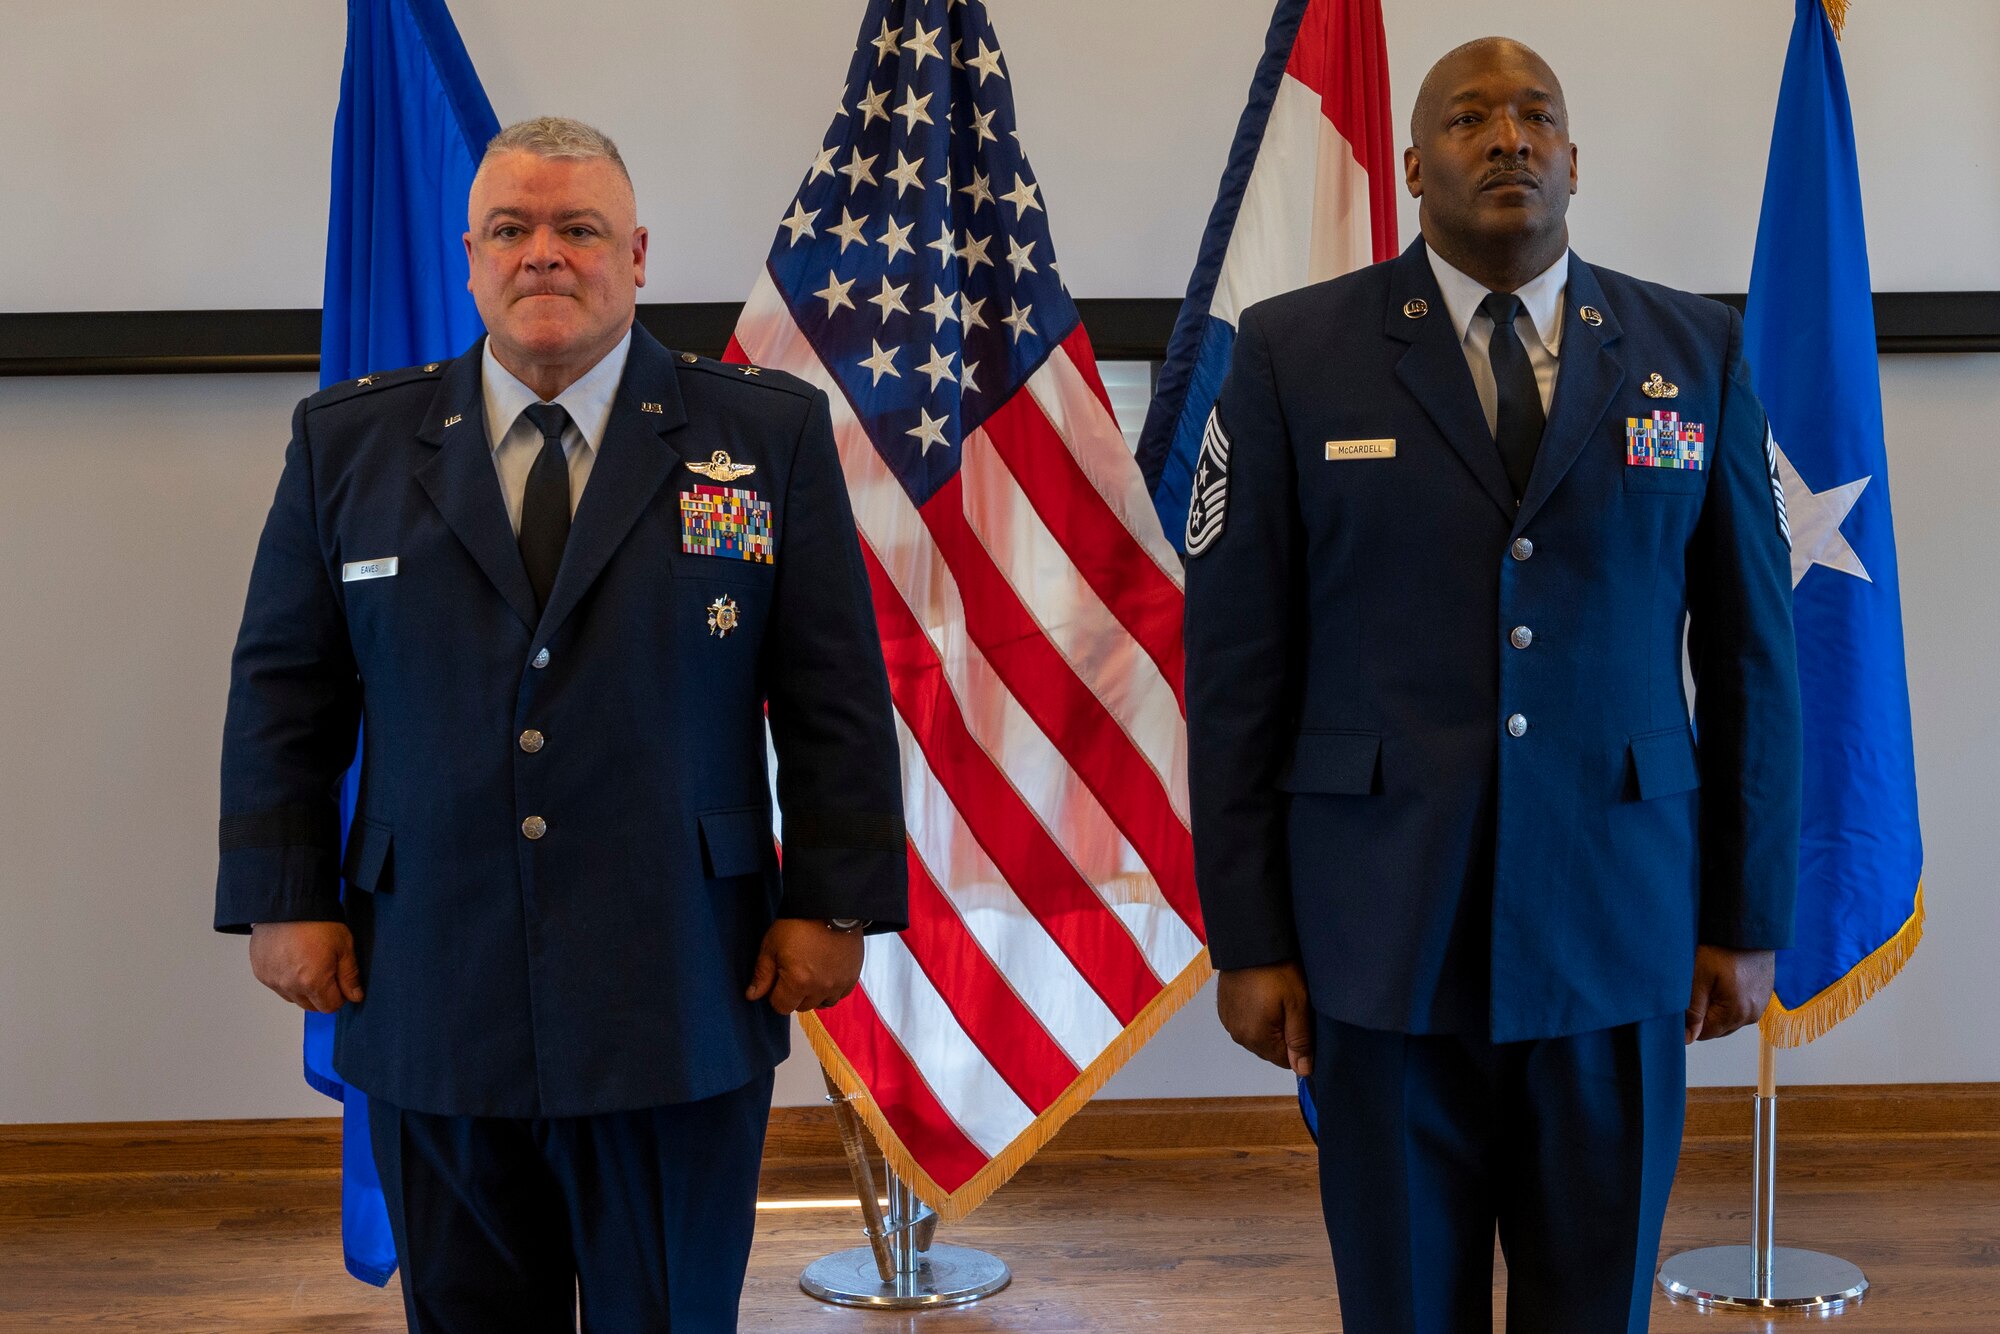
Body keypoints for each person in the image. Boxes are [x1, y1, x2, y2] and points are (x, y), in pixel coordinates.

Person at [214, 117, 907, 1333]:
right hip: (434, 980)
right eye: (511, 230)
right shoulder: (349, 446)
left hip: (680, 987)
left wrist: (834, 900)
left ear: (634, 255)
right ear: (469, 258)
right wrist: (283, 893)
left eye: (577, 228)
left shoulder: (762, 435)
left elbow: (832, 692)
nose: (544, 253)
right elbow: (286, 690)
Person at [1184, 37, 1801, 1333]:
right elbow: (1238, 668)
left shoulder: (1696, 350)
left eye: (1535, 117)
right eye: (1469, 118)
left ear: (1576, 158)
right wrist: (1249, 936)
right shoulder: (1298, 355)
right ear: (1413, 165)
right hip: (1376, 941)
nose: (1508, 138)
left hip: (1618, 934)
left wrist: (1747, 912)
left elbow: (1752, 655)